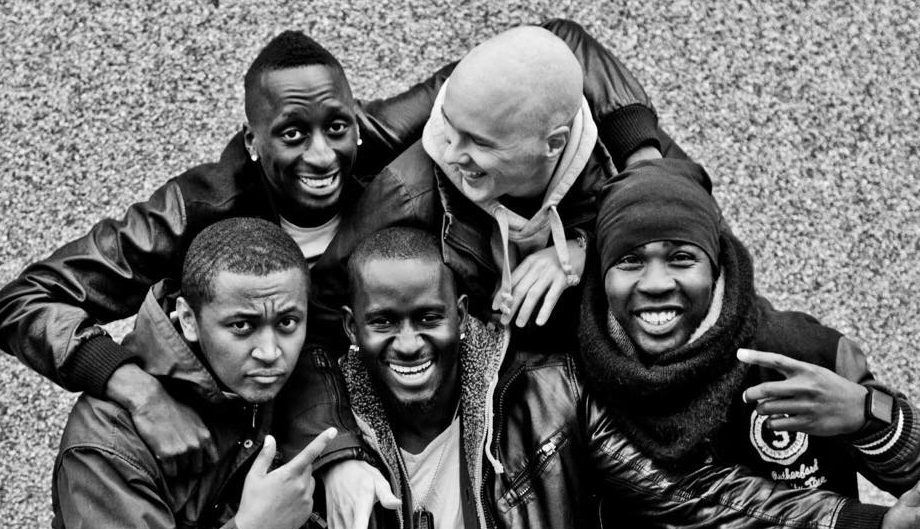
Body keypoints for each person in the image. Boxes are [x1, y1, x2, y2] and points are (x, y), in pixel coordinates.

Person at [0, 21, 670, 480]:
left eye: (336, 127)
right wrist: (132, 387)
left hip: (409, 427)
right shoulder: (196, 209)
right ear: (252, 139)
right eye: (292, 134)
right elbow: (25, 301)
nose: (322, 156)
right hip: (232, 445)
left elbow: (559, 42)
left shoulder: (390, 143)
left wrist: (640, 174)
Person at [339, 225, 920, 529]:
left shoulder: (550, 395)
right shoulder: (325, 423)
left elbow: (693, 497)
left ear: (461, 315)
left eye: (429, 318)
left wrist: (868, 523)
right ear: (350, 327)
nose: (409, 343)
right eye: (384, 322)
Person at [577, 158, 920, 525]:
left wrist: (869, 417)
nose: (656, 283)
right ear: (602, 274)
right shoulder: (580, 377)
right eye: (629, 260)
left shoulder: (798, 351)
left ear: (715, 266)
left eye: (681, 257)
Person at [313, 24, 684, 348]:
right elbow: (323, 307)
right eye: (450, 126)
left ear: (553, 144)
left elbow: (694, 244)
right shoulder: (408, 192)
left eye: (480, 143)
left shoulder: (620, 156)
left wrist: (589, 247)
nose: (452, 153)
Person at [52, 217, 339, 528]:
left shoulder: (286, 377)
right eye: (242, 325)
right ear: (188, 319)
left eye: (286, 323)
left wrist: (345, 462)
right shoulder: (107, 445)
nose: (270, 353)